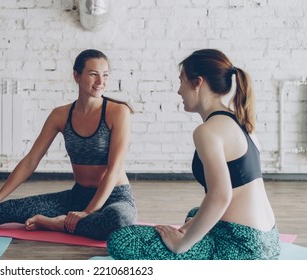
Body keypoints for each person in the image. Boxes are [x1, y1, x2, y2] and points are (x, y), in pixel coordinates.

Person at [107, 49, 281, 260]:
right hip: (269, 242)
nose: (179, 90)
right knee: (194, 215)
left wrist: (181, 244)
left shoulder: (207, 132)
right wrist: (188, 228)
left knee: (122, 240)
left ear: (198, 82)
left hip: (242, 249)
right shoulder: (241, 121)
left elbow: (221, 195)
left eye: (181, 81)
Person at [0, 49, 137, 240]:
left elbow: (115, 169)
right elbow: (31, 161)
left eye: (105, 75)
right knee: (4, 210)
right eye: (93, 74)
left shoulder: (118, 112)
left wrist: (88, 211)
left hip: (114, 197)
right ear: (77, 75)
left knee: (119, 220)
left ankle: (57, 224)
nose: (101, 82)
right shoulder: (61, 115)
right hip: (77, 196)